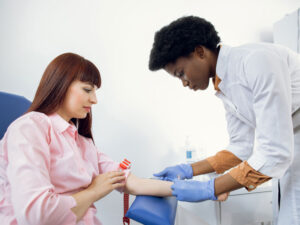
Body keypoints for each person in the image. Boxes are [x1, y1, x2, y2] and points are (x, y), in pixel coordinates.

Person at [149, 16, 300, 225]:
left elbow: (275, 152)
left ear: (200, 52)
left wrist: (211, 188)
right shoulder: (224, 84)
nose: (184, 83)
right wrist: (188, 170)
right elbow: (240, 147)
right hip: (292, 140)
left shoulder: (256, 61)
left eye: (181, 73)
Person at [0, 53, 173, 225]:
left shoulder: (83, 143)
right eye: (87, 89)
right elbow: (38, 215)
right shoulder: (29, 128)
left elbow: (130, 182)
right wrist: (94, 191)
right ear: (61, 84)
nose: (95, 100)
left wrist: (179, 188)